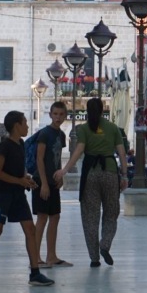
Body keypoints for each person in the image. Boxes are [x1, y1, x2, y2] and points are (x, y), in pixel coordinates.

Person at [0, 111, 54, 287]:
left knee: (30, 230)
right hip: (3, 196)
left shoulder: (20, 143)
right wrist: (19, 180)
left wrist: (26, 179)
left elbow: (17, 170)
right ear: (17, 126)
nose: (27, 126)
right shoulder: (5, 146)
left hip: (18, 195)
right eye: (25, 123)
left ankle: (35, 273)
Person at [57, 98, 125, 268]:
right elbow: (122, 154)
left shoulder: (84, 129)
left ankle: (94, 258)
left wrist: (64, 170)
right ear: (103, 110)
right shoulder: (113, 128)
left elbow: (79, 150)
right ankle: (105, 244)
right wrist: (124, 176)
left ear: (87, 110)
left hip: (91, 175)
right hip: (110, 172)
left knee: (90, 216)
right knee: (111, 212)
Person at [32, 102, 72, 269]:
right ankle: (34, 258)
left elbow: (57, 156)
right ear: (50, 115)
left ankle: (51, 256)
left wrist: (60, 174)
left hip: (53, 181)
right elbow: (39, 159)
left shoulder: (61, 135)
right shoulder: (44, 134)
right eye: (55, 114)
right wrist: (44, 184)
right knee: (42, 218)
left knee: (55, 217)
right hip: (42, 181)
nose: (58, 117)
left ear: (65, 116)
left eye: (61, 114)